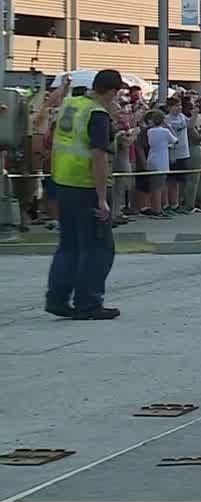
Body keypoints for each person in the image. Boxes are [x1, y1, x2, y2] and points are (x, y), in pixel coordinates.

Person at [45, 69, 127, 320]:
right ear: (112, 91)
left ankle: (57, 299)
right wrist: (102, 198)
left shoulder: (72, 104)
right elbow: (99, 157)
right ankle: (88, 303)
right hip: (87, 185)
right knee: (98, 247)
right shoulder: (97, 114)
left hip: (64, 182)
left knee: (68, 245)